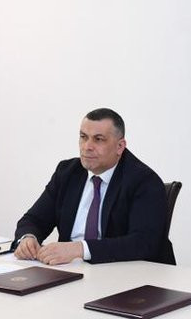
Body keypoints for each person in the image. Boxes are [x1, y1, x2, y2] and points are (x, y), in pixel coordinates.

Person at [13, 108, 175, 266]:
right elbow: (33, 219)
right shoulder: (67, 172)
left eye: (98, 139)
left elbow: (143, 243)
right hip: (69, 270)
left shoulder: (144, 181)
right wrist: (28, 238)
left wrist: (80, 249)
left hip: (124, 274)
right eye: (83, 137)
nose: (87, 146)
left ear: (120, 146)